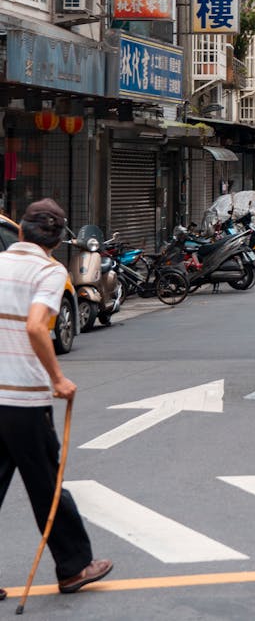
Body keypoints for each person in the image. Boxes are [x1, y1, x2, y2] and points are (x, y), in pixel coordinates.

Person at [0, 198, 112, 599]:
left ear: (22, 231)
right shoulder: (48, 271)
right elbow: (35, 326)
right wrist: (58, 378)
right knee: (47, 484)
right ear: (57, 240)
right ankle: (74, 566)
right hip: (23, 400)